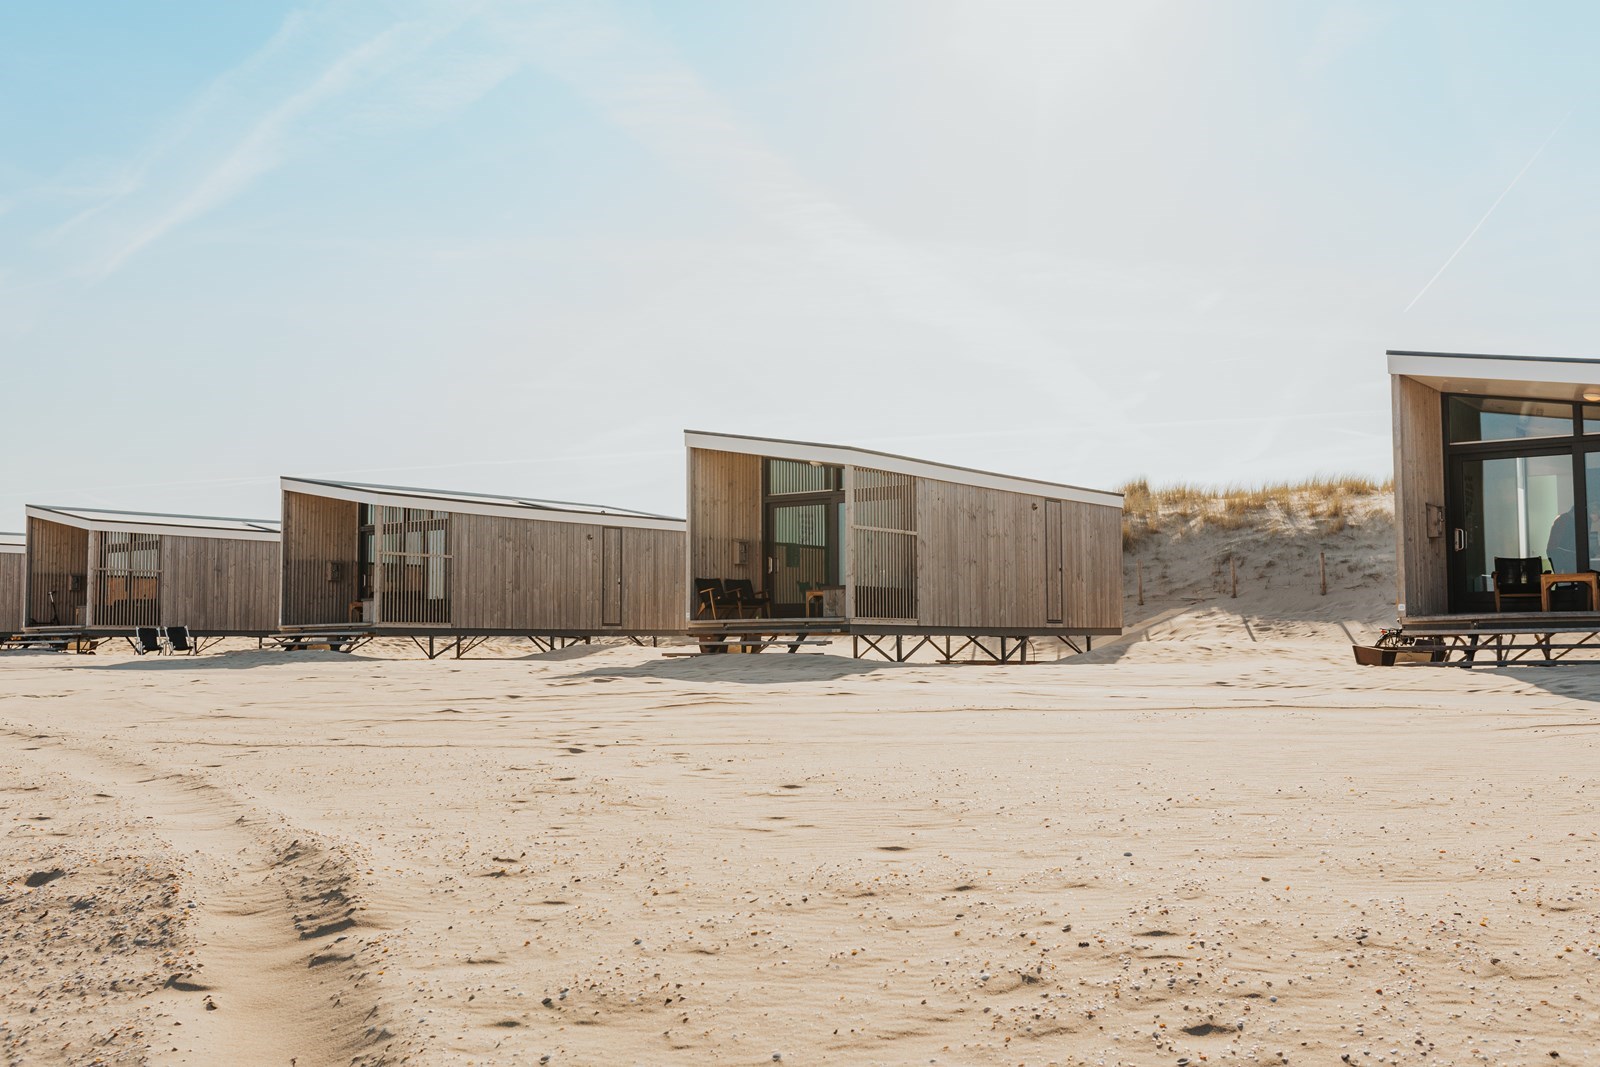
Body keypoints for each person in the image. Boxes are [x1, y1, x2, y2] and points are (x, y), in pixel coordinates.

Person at [1545, 500, 1600, 573]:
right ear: (1594, 512)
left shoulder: (1564, 517)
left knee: (1563, 578)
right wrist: (1593, 553)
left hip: (1554, 551)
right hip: (1562, 552)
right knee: (1574, 576)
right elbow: (1582, 542)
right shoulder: (1584, 519)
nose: (1598, 519)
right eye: (1599, 515)